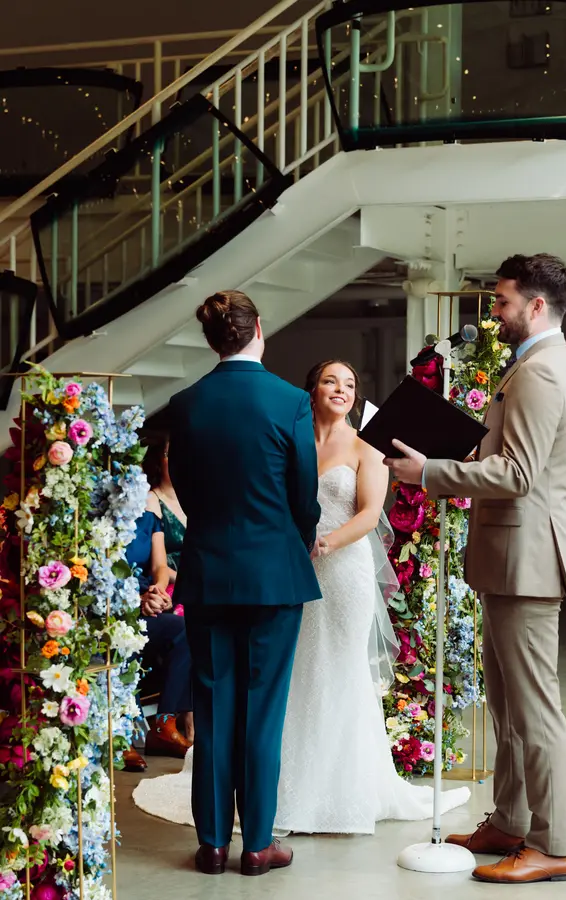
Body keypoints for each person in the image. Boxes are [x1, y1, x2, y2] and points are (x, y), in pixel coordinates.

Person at [132, 361, 470, 832]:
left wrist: (325, 544)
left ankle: (341, 790)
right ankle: (284, 789)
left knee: (339, 672)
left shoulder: (366, 445)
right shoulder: (291, 438)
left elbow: (370, 513)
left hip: (343, 572)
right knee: (292, 676)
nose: (341, 389)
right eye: (331, 381)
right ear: (311, 391)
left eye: (349, 383)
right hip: (288, 570)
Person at [384, 254, 566, 885]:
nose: (494, 314)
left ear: (536, 306)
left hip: (529, 562)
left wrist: (429, 472)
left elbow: (518, 475)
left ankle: (552, 844)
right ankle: (511, 821)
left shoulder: (541, 371)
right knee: (507, 706)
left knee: (535, 711)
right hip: (511, 560)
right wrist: (456, 451)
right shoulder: (533, 364)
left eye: (502, 302)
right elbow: (511, 459)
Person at [167, 290, 321, 877]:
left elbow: (184, 489)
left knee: (213, 709)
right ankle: (257, 844)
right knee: (263, 711)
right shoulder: (290, 401)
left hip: (208, 571)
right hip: (274, 574)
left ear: (212, 340)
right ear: (259, 327)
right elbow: (303, 494)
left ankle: (211, 844)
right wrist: (292, 539)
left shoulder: (186, 403)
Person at [125, 504, 193, 771]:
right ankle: (122, 732)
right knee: (121, 640)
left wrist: (158, 592)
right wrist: (136, 601)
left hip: (146, 603)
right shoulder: (100, 518)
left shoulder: (150, 519)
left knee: (184, 629)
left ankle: (164, 724)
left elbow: (160, 567)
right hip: (111, 610)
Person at [143, 431, 187, 609]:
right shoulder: (151, 500)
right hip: (169, 586)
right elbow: (155, 564)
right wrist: (189, 581)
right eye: (170, 454)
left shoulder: (196, 500)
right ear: (159, 461)